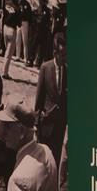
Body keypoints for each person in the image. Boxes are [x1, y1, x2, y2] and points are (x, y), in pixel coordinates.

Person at [33, 26, 64, 155]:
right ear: (55, 52)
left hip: (60, 126)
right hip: (46, 126)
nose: (66, 58)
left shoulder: (68, 70)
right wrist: (36, 123)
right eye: (63, 54)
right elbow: (39, 98)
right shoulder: (46, 68)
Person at [0, 0, 21, 79]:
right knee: (9, 54)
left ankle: (4, 70)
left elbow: (2, 16)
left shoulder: (6, 4)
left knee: (6, 51)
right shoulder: (18, 8)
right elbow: (19, 23)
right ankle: (5, 72)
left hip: (5, 28)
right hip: (12, 30)